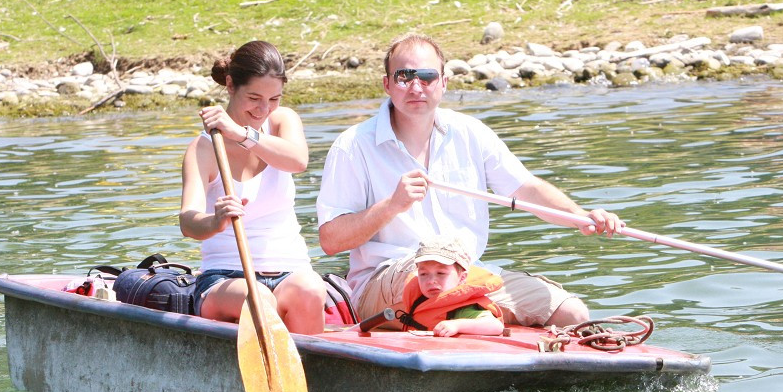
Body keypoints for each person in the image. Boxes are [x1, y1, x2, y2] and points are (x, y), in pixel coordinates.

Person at [316, 33, 625, 329]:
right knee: (434, 295)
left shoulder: (470, 133)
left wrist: (580, 216)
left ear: (444, 83)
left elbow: (525, 188)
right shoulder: (353, 145)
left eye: (426, 76)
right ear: (387, 84)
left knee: (571, 311)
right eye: (403, 76)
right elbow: (331, 241)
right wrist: (391, 206)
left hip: (465, 275)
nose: (415, 86)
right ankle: (473, 327)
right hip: (387, 279)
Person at [179, 40, 326, 335]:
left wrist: (243, 134)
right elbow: (187, 222)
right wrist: (216, 221)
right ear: (231, 85)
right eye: (254, 97)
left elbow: (298, 161)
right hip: (225, 277)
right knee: (259, 298)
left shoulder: (282, 121)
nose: (264, 109)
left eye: (274, 99)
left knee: (311, 289)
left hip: (291, 270)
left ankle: (313, 376)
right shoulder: (204, 149)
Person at [401, 235, 504, 337]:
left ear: (462, 278)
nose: (431, 281)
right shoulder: (419, 299)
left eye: (441, 273)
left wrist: (457, 325)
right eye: (423, 274)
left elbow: (496, 326)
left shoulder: (463, 309)